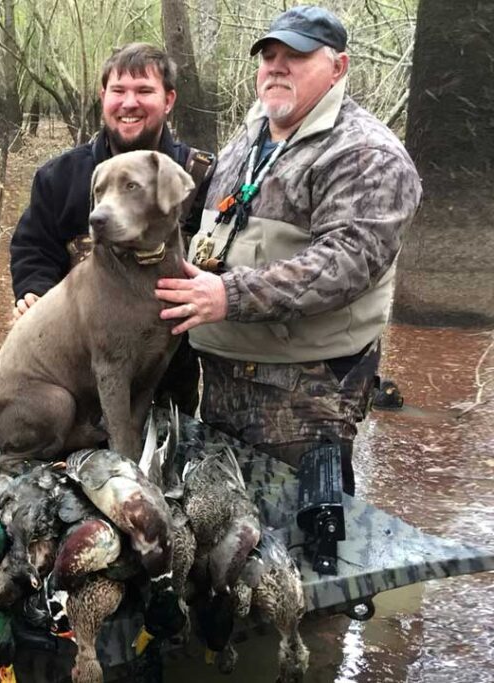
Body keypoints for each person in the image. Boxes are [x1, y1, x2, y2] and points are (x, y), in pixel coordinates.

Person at [154, 5, 422, 494]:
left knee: (296, 554)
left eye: (295, 56)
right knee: (225, 544)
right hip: (221, 385)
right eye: (268, 55)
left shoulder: (365, 153)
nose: (276, 66)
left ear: (338, 67)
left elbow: (347, 261)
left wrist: (227, 296)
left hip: (303, 402)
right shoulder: (252, 135)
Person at [9, 43, 215, 416]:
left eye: (144, 91)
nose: (129, 102)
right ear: (103, 97)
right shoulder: (62, 177)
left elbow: (223, 263)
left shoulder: (199, 177)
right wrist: (33, 292)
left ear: (169, 100)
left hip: (171, 375)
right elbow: (33, 249)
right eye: (118, 91)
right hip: (82, 377)